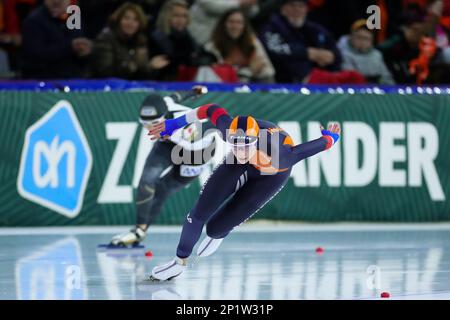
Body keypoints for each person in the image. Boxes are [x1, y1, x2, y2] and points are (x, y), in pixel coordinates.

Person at [147, 102, 341, 281]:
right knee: (197, 214)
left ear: (256, 141)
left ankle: (219, 233)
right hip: (236, 166)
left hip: (270, 176)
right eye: (235, 145)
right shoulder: (228, 130)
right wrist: (175, 124)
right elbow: (210, 109)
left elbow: (323, 144)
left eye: (245, 145)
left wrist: (330, 138)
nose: (240, 151)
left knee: (215, 228)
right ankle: (178, 262)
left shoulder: (281, 156)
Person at [110, 86, 218, 247]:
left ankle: (142, 228)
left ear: (164, 117)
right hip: (169, 142)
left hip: (197, 152)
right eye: (144, 123)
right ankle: (139, 230)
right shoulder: (165, 105)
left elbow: (196, 145)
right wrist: (192, 92)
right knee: (146, 181)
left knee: (162, 190)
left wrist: (171, 134)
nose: (148, 128)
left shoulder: (187, 127)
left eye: (153, 123)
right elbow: (175, 95)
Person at [259, 0, 341, 83]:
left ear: (306, 9)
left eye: (301, 6)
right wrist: (307, 53)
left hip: (322, 80)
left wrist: (331, 56)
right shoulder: (272, 27)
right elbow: (273, 50)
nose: (297, 9)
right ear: (283, 8)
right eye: (292, 5)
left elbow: (336, 53)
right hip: (285, 83)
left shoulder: (315, 29)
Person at [90, 2, 168, 79]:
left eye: (136, 20)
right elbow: (105, 73)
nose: (131, 23)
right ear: (118, 20)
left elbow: (141, 76)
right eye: (126, 18)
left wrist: (151, 67)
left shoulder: (140, 40)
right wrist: (134, 64)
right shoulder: (105, 39)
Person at [21, 0, 92, 79]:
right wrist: (70, 47)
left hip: (74, 79)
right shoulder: (34, 21)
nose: (56, 1)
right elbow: (34, 56)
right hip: (43, 80)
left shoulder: (74, 16)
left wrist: (85, 50)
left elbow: (81, 47)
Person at [204, 8, 275, 83]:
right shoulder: (212, 47)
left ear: (244, 25)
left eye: (239, 22)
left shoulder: (253, 42)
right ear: (223, 24)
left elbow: (268, 71)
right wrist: (250, 71)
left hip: (251, 86)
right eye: (231, 22)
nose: (235, 26)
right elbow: (218, 77)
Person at [148, 0, 199, 81]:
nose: (180, 20)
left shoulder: (189, 38)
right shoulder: (156, 38)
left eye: (184, 16)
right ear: (166, 17)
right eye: (176, 16)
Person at [337, 19, 395, 85]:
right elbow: (350, 78)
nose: (362, 42)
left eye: (366, 39)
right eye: (359, 37)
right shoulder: (342, 53)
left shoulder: (377, 55)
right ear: (351, 37)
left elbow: (387, 78)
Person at [188, 0, 259, 45]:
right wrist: (239, 3)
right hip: (201, 39)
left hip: (227, 40)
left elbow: (253, 12)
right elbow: (211, 6)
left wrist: (249, 4)